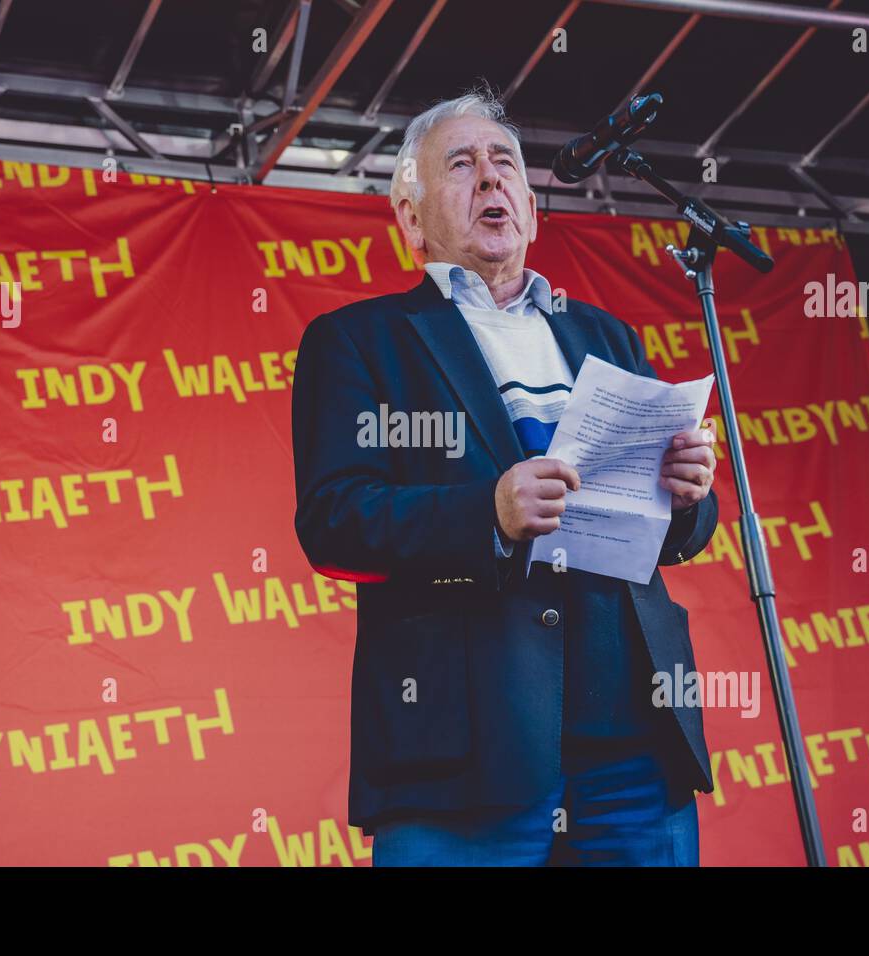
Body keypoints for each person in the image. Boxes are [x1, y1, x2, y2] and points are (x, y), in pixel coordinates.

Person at [291, 88, 719, 866]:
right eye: (461, 165)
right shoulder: (358, 341)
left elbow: (676, 534)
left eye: (505, 163)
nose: (491, 179)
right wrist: (486, 511)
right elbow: (334, 521)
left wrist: (690, 493)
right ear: (412, 219)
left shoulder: (608, 335)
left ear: (529, 202)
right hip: (464, 750)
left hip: (634, 737)